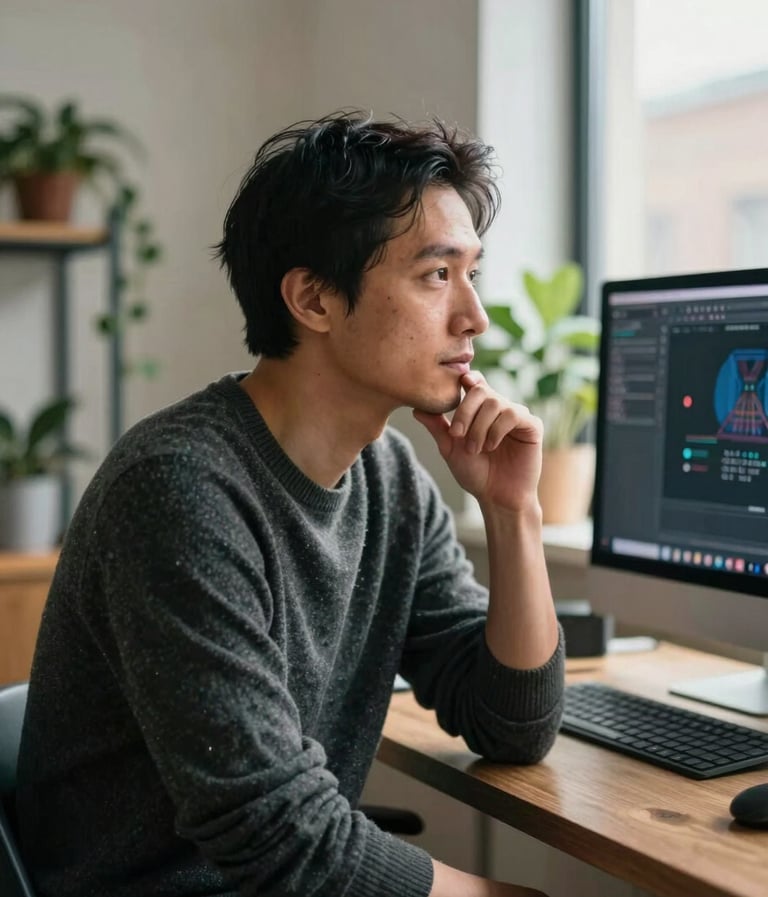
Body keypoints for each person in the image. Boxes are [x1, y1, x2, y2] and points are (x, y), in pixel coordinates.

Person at [17, 110, 564, 897]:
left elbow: (511, 725)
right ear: (313, 298)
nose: (474, 316)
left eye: (472, 272)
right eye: (436, 275)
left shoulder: (389, 479)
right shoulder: (181, 490)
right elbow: (278, 835)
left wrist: (515, 514)